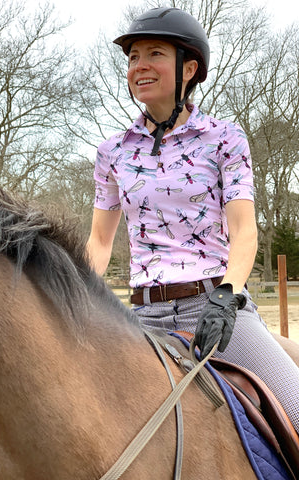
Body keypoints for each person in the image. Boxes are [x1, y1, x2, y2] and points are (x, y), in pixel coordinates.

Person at [86, 7, 299, 434]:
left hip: (215, 307)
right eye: (132, 58)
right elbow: (99, 241)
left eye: (154, 54)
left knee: (296, 408)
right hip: (142, 317)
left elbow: (244, 232)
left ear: (189, 68)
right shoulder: (112, 152)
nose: (139, 66)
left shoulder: (225, 138)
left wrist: (228, 295)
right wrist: (78, 297)